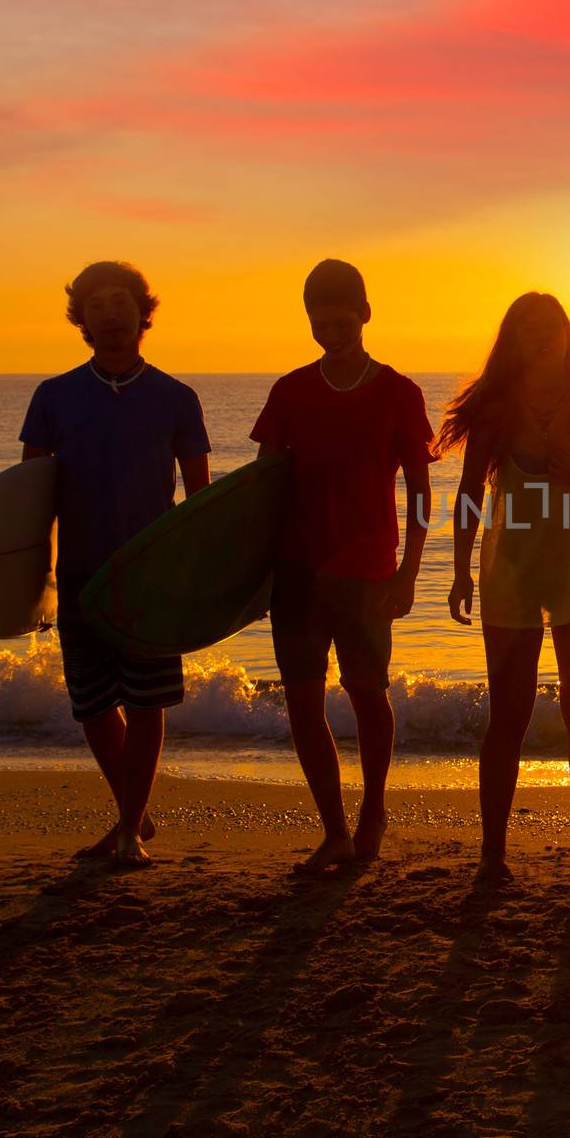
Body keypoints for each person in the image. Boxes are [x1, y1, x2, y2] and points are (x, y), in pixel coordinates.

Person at [437, 294, 570, 886]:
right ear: (514, 341)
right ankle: (492, 856)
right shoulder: (497, 410)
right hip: (513, 568)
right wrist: (459, 570)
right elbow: (470, 491)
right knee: (510, 715)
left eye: (552, 327)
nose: (543, 337)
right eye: (530, 329)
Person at [20, 260, 211, 868]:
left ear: (141, 310)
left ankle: (128, 829)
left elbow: (201, 500)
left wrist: (198, 577)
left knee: (147, 702)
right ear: (82, 316)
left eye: (120, 300)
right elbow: (29, 495)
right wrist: (37, 575)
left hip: (148, 578)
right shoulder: (53, 396)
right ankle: (134, 811)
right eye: (96, 302)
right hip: (79, 574)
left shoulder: (177, 398)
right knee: (93, 705)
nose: (110, 310)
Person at [252, 259, 433, 876]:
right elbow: (261, 486)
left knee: (367, 693)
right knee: (303, 699)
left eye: (341, 318)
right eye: (318, 321)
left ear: (365, 314)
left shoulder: (399, 393)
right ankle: (333, 829)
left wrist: (410, 570)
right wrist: (248, 568)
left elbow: (420, 492)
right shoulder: (290, 391)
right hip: (298, 571)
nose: (331, 330)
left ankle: (373, 811)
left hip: (367, 573)